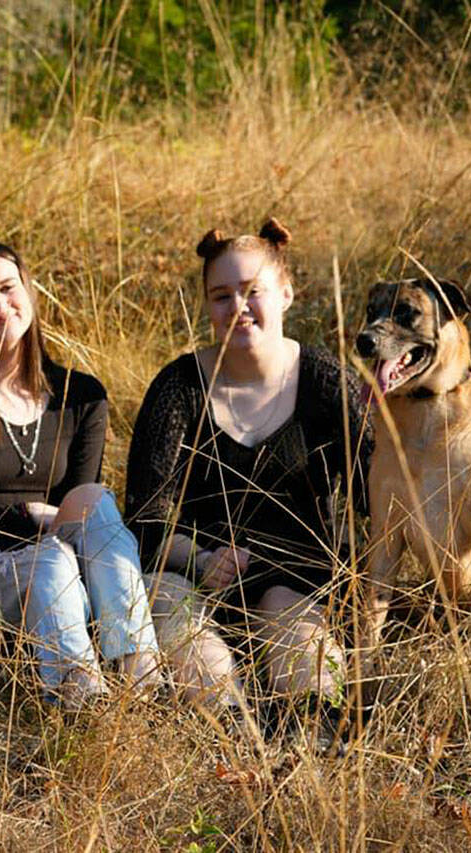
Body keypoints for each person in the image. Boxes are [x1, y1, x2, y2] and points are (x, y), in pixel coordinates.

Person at [124, 219, 371, 749]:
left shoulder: (326, 380)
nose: (237, 306)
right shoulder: (178, 387)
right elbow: (146, 519)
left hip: (297, 575)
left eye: (252, 290)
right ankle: (233, 736)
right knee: (172, 605)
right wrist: (199, 558)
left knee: (292, 624)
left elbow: (377, 490)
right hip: (195, 573)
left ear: (285, 294)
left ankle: (316, 740)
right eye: (221, 296)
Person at [0, 241, 162, 708]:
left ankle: (140, 678)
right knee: (51, 561)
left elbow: (76, 513)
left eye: (7, 288)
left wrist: (3, 533)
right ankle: (79, 699)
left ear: (29, 292)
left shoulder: (81, 395)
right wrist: (19, 521)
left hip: (56, 562)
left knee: (94, 501)